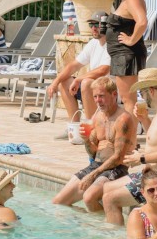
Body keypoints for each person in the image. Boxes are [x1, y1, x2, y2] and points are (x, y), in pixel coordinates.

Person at [102, 67, 157, 226]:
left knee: (110, 199)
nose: (141, 97)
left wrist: (141, 158)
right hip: (155, 175)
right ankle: (120, 225)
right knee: (106, 188)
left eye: (142, 93)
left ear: (151, 91)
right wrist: (144, 120)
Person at [51, 77, 135, 211]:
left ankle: (103, 226)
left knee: (89, 197)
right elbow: (94, 153)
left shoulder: (123, 119)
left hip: (116, 168)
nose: (97, 101)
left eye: (101, 96)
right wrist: (86, 140)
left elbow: (118, 157)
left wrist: (92, 175)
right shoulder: (98, 117)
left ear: (114, 94)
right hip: (97, 165)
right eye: (95, 97)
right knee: (58, 201)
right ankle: (88, 223)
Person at [103, 0, 149, 132]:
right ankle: (130, 138)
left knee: (128, 100)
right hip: (121, 55)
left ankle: (130, 140)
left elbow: (142, 21)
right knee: (128, 99)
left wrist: (130, 40)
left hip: (126, 54)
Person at [49, 11, 110, 133]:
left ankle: (91, 129)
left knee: (87, 82)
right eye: (91, 25)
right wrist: (55, 82)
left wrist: (78, 79)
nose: (93, 28)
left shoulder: (112, 45)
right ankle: (74, 127)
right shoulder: (93, 43)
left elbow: (104, 70)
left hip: (108, 89)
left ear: (106, 26)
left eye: (96, 25)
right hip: (93, 87)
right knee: (64, 82)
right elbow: (73, 65)